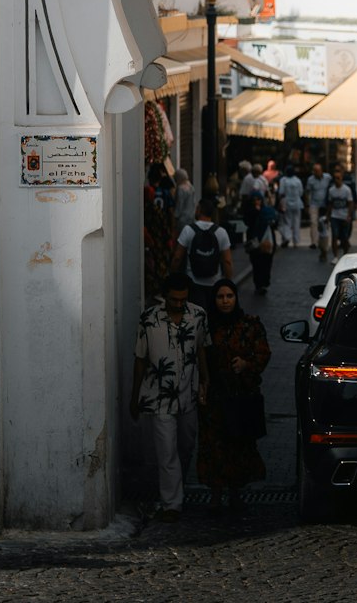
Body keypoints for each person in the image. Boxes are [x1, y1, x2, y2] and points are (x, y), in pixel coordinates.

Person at [130, 272, 209, 521]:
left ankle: (178, 488)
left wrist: (206, 381)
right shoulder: (149, 319)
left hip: (189, 393)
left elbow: (201, 350)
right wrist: (135, 396)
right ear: (165, 297)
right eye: (174, 299)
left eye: (182, 299)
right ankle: (171, 505)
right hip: (158, 396)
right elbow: (140, 359)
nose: (178, 303)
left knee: (185, 446)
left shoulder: (198, 316)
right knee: (167, 452)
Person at [197, 281, 272, 513]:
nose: (226, 301)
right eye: (220, 296)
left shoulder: (249, 325)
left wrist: (246, 364)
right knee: (214, 444)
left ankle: (236, 492)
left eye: (230, 296)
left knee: (239, 443)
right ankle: (216, 493)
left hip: (241, 395)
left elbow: (263, 353)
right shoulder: (207, 326)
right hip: (215, 396)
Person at [179, 197, 237, 289]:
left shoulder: (188, 230)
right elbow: (227, 261)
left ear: (199, 210)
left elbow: (177, 258)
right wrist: (228, 283)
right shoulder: (221, 232)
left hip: (192, 282)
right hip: (214, 283)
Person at [325, 170, 357, 260]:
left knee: (345, 237)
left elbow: (350, 203)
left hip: (344, 216)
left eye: (338, 178)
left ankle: (345, 255)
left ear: (341, 178)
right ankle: (335, 256)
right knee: (334, 236)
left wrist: (349, 216)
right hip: (335, 216)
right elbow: (330, 204)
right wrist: (328, 216)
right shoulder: (331, 190)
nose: (336, 180)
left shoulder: (346, 190)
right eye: (335, 178)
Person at [302, 165, 328, 251]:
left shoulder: (327, 177)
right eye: (315, 171)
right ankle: (314, 242)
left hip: (324, 204)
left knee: (324, 223)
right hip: (314, 204)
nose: (316, 173)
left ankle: (323, 241)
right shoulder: (311, 180)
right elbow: (307, 192)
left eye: (318, 171)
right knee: (313, 222)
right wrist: (307, 204)